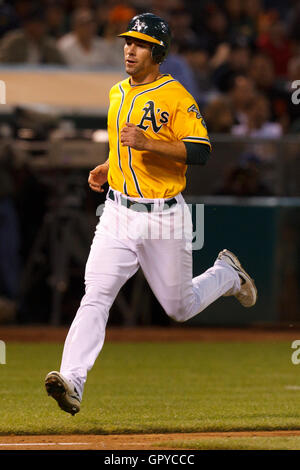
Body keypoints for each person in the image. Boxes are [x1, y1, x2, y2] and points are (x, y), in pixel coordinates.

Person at [45, 13, 257, 416]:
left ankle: (227, 274)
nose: (129, 49)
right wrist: (109, 165)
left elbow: (201, 151)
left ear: (157, 52)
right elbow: (125, 146)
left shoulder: (175, 96)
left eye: (139, 44)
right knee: (96, 295)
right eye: (128, 42)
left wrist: (151, 144)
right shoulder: (116, 92)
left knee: (179, 307)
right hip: (117, 212)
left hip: (164, 216)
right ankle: (72, 380)